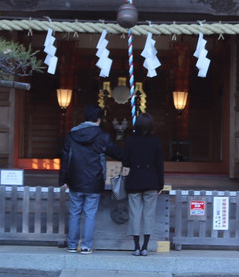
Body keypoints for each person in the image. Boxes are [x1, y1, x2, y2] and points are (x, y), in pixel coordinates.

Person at [59, 103, 119, 254]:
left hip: (74, 180)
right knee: (90, 214)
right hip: (94, 180)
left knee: (74, 213)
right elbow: (117, 153)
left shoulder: (72, 134)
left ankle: (72, 245)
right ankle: (86, 246)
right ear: (99, 119)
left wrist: (63, 179)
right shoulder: (102, 136)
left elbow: (65, 158)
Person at [120, 112, 164, 256]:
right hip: (151, 180)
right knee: (149, 214)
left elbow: (125, 162)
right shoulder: (155, 141)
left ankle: (136, 247)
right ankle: (145, 247)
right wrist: (160, 184)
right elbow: (159, 165)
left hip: (135, 180)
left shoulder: (131, 140)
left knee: (135, 214)